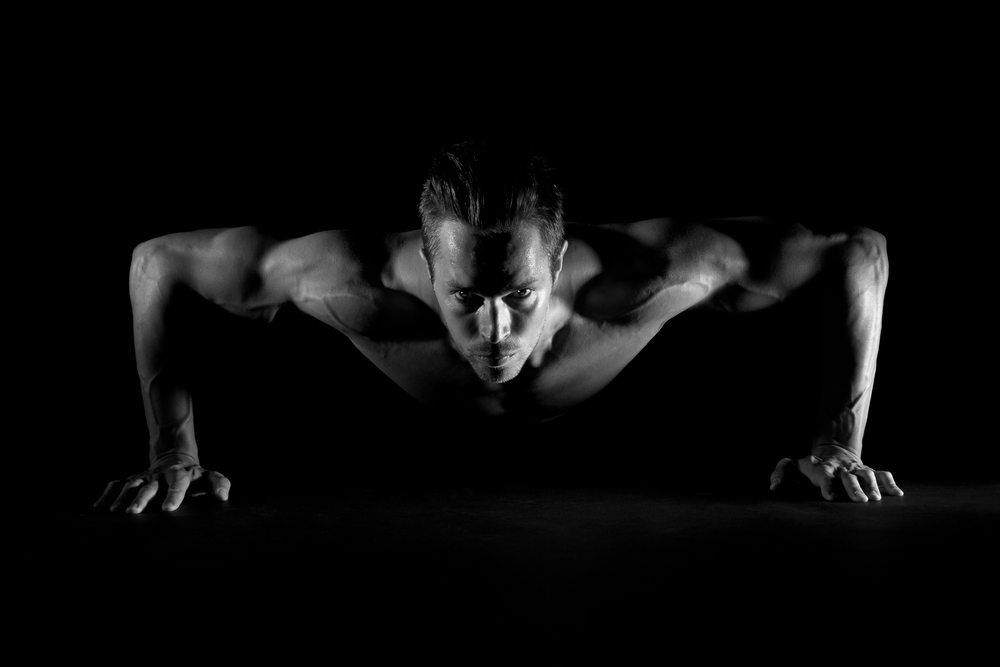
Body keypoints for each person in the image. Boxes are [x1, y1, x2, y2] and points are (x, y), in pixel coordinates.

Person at [94, 141, 903, 514]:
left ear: (557, 260)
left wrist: (840, 442)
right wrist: (175, 452)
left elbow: (859, 255)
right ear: (427, 266)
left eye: (517, 294)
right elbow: (155, 264)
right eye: (464, 296)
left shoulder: (646, 276)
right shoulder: (349, 282)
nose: (491, 328)